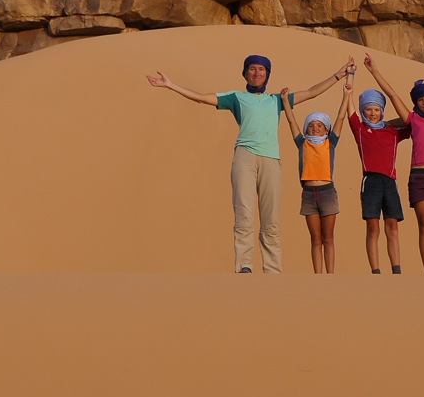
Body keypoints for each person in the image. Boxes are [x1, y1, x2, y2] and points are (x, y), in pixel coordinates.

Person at [146, 55, 350, 273]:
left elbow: (311, 92)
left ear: (267, 74)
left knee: (270, 217)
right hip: (245, 157)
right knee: (244, 211)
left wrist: (339, 75)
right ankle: (244, 264)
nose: (257, 73)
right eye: (252, 69)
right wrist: (170, 85)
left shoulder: (276, 100)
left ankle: (272, 268)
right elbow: (202, 98)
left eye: (262, 69)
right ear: (245, 73)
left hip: (271, 159)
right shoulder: (237, 98)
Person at [361, 56, 424, 274]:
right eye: (421, 99)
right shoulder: (412, 119)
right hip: (419, 178)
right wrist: (374, 71)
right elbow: (392, 95)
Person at [281, 66, 356, 273]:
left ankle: (330, 275)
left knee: (328, 238)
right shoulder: (302, 143)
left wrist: (347, 94)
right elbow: (291, 121)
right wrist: (286, 102)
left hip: (327, 192)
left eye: (319, 126)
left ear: (326, 129)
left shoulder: (330, 142)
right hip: (308, 193)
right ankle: (318, 275)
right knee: (315, 239)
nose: (315, 129)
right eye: (311, 126)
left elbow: (340, 118)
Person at [350, 57, 413, 274]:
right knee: (373, 228)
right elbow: (350, 107)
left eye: (377, 109)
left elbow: (409, 121)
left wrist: (376, 71)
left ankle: (396, 271)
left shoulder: (392, 132)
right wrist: (351, 75)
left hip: (390, 182)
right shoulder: (359, 129)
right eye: (369, 109)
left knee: (393, 227)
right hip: (371, 181)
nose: (373, 113)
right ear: (363, 110)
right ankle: (375, 272)